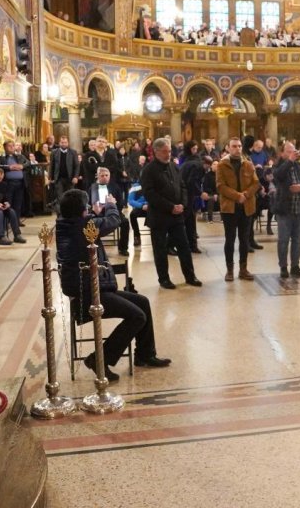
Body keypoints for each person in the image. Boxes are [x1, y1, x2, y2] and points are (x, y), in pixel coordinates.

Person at [55, 189, 170, 379]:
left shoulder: (67, 224)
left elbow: (92, 221)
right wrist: (110, 204)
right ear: (82, 210)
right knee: (137, 316)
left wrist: (96, 212)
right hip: (88, 295)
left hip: (96, 287)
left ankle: (144, 354)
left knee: (142, 302)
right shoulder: (86, 226)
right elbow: (113, 221)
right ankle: (99, 359)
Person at [140, 137, 202, 289]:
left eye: (170, 151)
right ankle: (164, 279)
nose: (169, 154)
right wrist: (170, 207)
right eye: (165, 152)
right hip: (159, 217)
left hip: (177, 215)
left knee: (184, 246)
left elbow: (183, 187)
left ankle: (190, 276)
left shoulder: (174, 166)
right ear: (156, 152)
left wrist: (183, 204)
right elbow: (150, 194)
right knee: (160, 250)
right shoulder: (148, 170)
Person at [214, 136, 258, 281]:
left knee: (244, 240)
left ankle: (243, 269)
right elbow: (221, 186)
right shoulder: (222, 165)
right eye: (234, 146)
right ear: (228, 147)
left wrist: (245, 194)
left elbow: (256, 183)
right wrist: (236, 196)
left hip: (246, 206)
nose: (237, 149)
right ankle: (230, 270)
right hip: (230, 208)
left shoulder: (248, 163)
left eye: (239, 146)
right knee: (230, 239)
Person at [271, 141, 300, 279]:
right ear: (282, 153)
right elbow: (278, 176)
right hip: (285, 209)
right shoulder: (278, 166)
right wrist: (289, 161)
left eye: (293, 151)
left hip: (299, 209)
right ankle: (283, 266)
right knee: (283, 240)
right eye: (288, 151)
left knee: (297, 240)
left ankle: (295, 266)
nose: (292, 154)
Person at [89, 166, 130, 256]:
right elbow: (92, 205)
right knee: (92, 224)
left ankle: (123, 248)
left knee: (125, 222)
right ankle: (95, 247)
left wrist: (112, 209)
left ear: (110, 176)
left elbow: (121, 203)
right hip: (97, 214)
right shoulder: (94, 187)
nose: (104, 177)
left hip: (113, 211)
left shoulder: (115, 187)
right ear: (98, 177)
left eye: (107, 175)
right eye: (102, 175)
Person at [0, 140, 32, 215]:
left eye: (13, 146)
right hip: (8, 183)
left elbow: (28, 163)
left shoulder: (19, 156)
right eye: (9, 146)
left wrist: (22, 166)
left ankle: (16, 221)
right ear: (5, 147)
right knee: (8, 202)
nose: (12, 147)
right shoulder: (1, 157)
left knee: (18, 203)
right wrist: (9, 167)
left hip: (20, 183)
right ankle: (8, 220)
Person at [50, 134, 80, 207]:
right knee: (60, 197)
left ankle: (70, 214)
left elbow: (76, 166)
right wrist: (51, 177)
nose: (63, 144)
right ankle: (61, 214)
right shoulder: (54, 152)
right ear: (59, 143)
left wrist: (76, 177)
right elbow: (52, 165)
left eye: (65, 142)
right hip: (59, 178)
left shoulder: (73, 152)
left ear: (68, 143)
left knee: (70, 197)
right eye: (62, 142)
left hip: (70, 178)